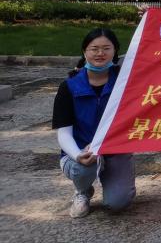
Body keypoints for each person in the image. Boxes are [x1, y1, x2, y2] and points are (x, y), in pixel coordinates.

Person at [51, 28, 135, 218]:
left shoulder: (125, 82)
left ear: (115, 51)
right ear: (84, 51)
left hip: (115, 150)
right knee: (84, 167)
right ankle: (82, 191)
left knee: (118, 203)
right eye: (94, 49)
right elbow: (64, 133)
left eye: (106, 48)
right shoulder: (69, 86)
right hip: (81, 153)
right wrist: (78, 154)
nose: (100, 53)